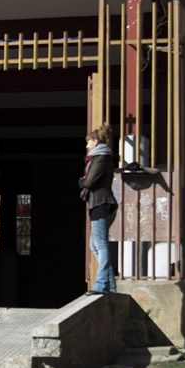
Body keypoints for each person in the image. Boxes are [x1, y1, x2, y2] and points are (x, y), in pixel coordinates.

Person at [80, 124, 117, 293]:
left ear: (95, 142)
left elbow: (88, 182)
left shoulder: (100, 158)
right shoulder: (101, 157)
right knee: (94, 245)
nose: (87, 145)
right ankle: (110, 284)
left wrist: (81, 181)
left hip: (101, 203)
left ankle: (101, 285)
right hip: (98, 203)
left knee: (100, 245)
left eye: (88, 142)